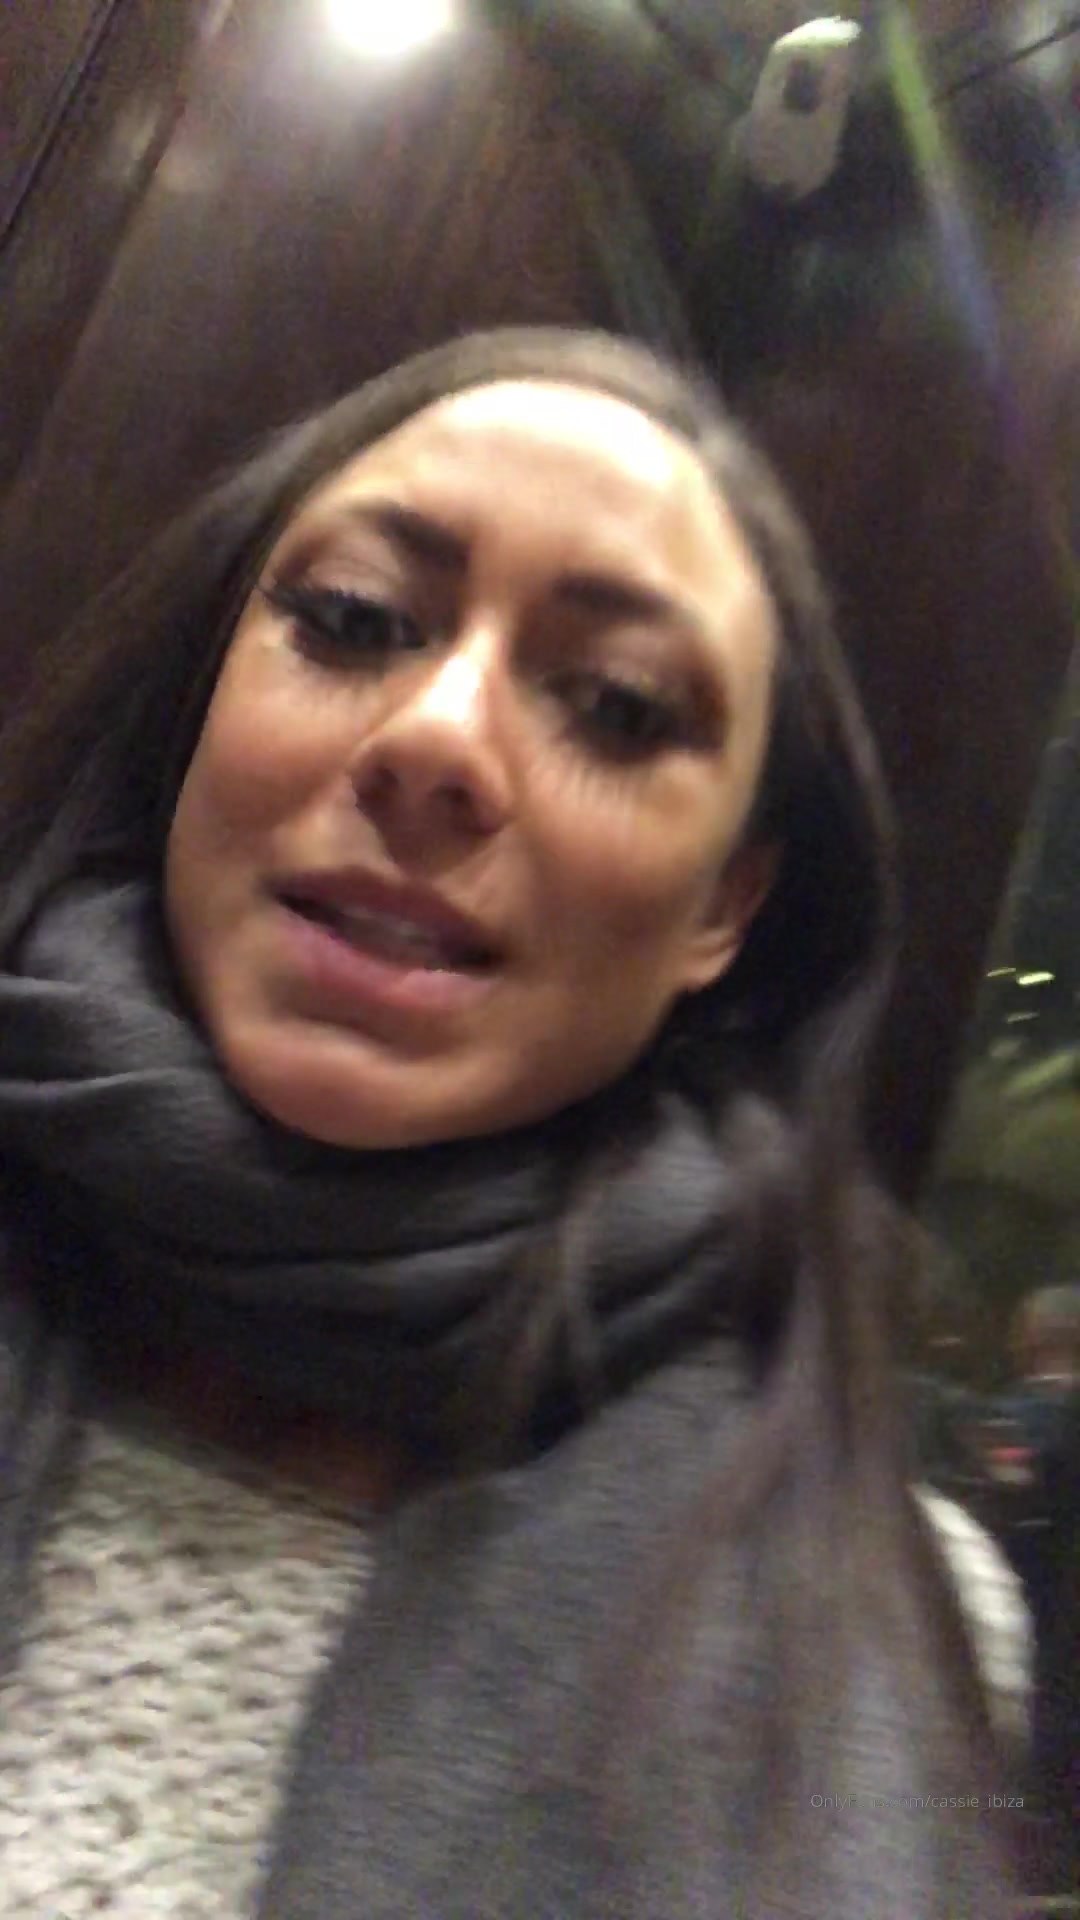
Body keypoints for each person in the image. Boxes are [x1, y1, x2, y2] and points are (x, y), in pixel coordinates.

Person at [0, 328, 1017, 1917]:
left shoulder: (883, 1623)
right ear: (204, 700)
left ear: (724, 908)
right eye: (352, 621)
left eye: (617, 708)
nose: (437, 740)